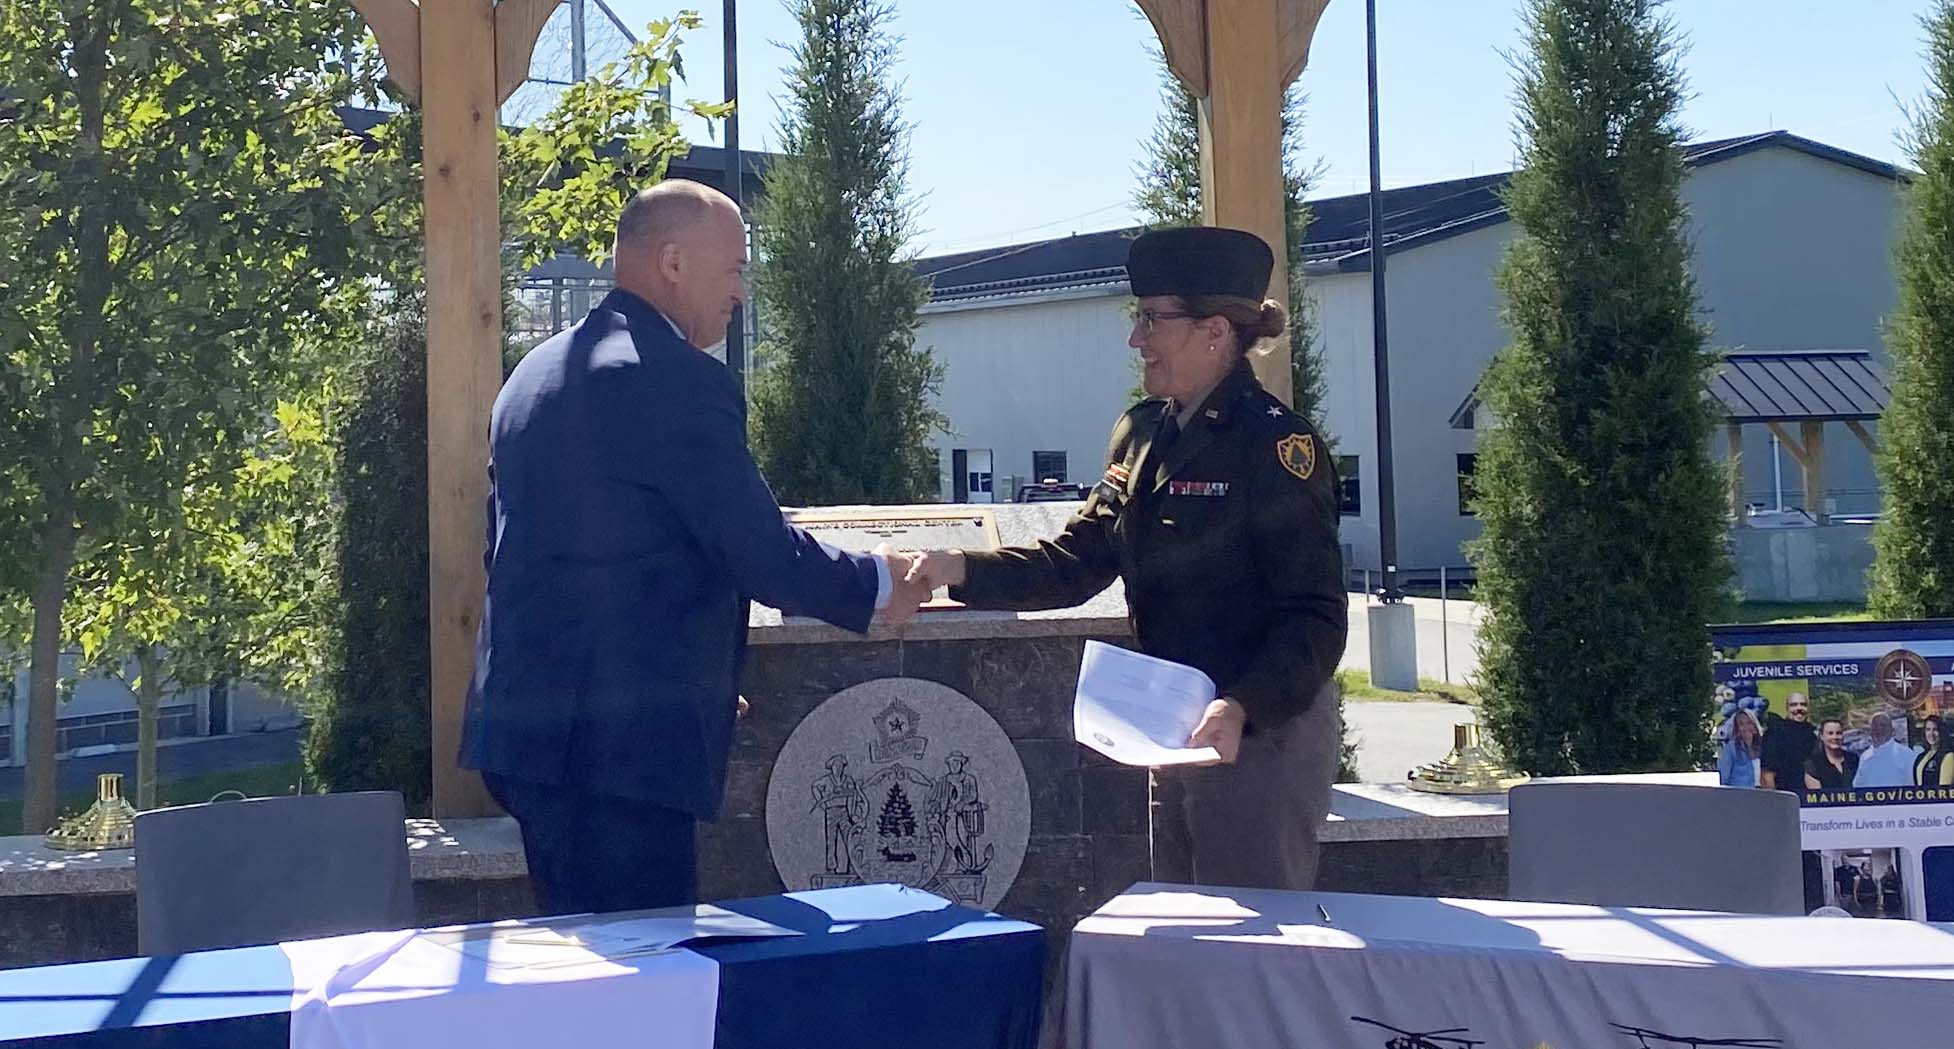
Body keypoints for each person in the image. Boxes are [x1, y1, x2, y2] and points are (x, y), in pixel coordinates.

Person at [461, 181, 929, 913]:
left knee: (579, 976)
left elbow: (530, 551)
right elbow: (755, 547)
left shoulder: (534, 374)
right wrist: (877, 585)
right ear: (673, 262)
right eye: (735, 268)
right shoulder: (674, 379)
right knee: (642, 989)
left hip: (527, 732)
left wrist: (692, 670)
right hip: (619, 753)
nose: (742, 291)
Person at [900, 227, 1346, 890]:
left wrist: (1243, 706)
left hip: (1258, 739)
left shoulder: (1276, 447)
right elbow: (1078, 560)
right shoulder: (1142, 433)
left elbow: (1314, 615)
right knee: (1179, 949)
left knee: (1252, 963)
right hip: (1173, 730)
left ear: (1215, 331)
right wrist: (957, 570)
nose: (1138, 339)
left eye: (1152, 320)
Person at [1759, 689, 1815, 792]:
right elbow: (1767, 775)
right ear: (1787, 708)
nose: (1799, 708)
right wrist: (1775, 801)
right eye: (1794, 705)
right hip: (1786, 796)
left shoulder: (1813, 734)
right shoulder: (1775, 733)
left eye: (1803, 705)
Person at [1855, 711, 1919, 787]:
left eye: (1883, 725)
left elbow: (1914, 785)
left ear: (1892, 730)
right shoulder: (1865, 757)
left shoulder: (1906, 755)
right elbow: (1858, 786)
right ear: (1870, 730)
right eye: (1875, 726)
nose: (1879, 729)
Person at [1805, 718, 1857, 792]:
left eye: (1838, 733)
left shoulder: (1854, 759)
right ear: (1822, 736)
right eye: (1830, 733)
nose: (1835, 737)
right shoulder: (1813, 764)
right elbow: (1816, 797)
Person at [1717, 707, 1762, 787]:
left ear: (1755, 725)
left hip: (1761, 795)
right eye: (1741, 724)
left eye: (1749, 723)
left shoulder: (1764, 747)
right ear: (1736, 728)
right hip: (1739, 796)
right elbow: (1724, 779)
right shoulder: (1730, 749)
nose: (1746, 727)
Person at [1917, 714, 1954, 788]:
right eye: (1928, 729)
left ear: (1941, 732)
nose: (1931, 734)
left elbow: (1944, 791)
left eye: (1935, 729)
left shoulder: (1948, 756)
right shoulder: (1922, 756)